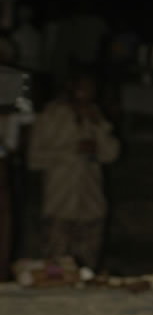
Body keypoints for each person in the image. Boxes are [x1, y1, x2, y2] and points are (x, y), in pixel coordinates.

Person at [28, 70, 119, 270]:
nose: (86, 93)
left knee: (88, 269)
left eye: (91, 88)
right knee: (56, 269)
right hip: (59, 207)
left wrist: (97, 126)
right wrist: (73, 151)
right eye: (82, 87)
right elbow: (35, 158)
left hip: (91, 207)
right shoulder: (52, 115)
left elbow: (111, 154)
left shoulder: (95, 115)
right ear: (72, 87)